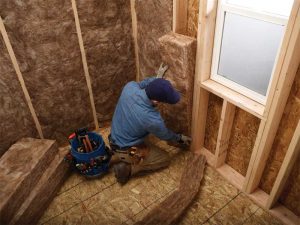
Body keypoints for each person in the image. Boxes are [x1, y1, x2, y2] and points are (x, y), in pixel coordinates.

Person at [108, 63, 192, 184]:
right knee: (164, 158)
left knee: (145, 134)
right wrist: (179, 138)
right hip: (127, 148)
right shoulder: (152, 119)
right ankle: (128, 168)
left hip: (114, 137)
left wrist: (157, 80)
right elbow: (166, 135)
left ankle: (117, 156)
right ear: (156, 101)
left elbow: (143, 84)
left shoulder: (129, 87)